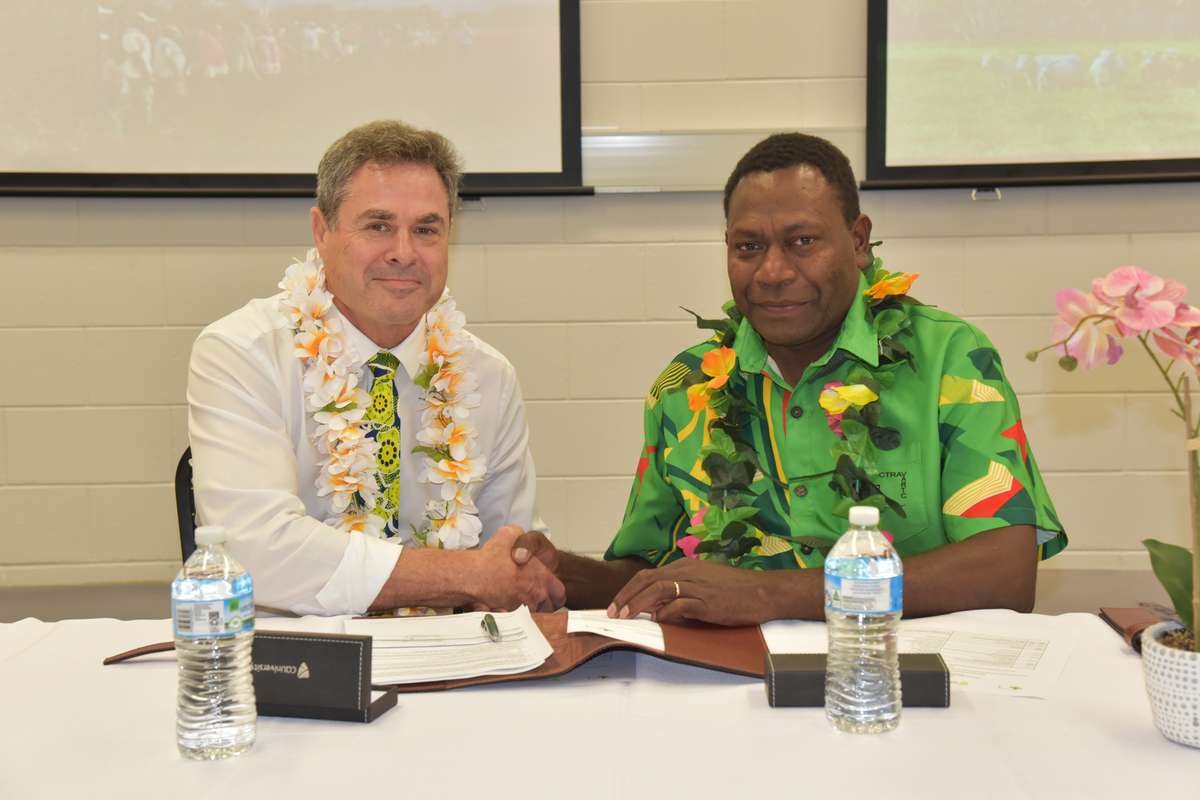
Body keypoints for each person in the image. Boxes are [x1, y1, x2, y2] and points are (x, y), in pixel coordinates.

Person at [511, 132, 1066, 625]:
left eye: (802, 241)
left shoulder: (949, 358)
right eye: (748, 247)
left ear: (857, 239)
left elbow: (1004, 573)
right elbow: (652, 570)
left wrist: (771, 594)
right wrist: (564, 574)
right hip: (725, 694)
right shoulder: (685, 386)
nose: (773, 272)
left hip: (898, 686)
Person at [188, 120, 563, 616]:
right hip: (295, 667)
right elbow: (256, 552)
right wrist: (468, 575)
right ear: (322, 232)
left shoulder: (486, 376)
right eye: (378, 225)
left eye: (426, 229)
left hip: (454, 667)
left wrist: (525, 565)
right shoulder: (240, 353)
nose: (403, 253)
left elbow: (509, 556)